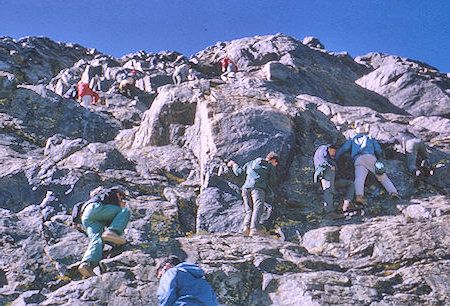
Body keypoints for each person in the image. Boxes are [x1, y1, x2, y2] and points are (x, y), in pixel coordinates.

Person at [335, 125, 400, 205]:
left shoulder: (353, 139)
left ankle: (359, 196)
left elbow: (344, 148)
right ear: (365, 131)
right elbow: (378, 149)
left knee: (359, 179)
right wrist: (380, 157)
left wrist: (336, 157)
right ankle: (393, 193)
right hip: (370, 157)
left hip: (358, 159)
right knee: (383, 178)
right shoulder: (369, 137)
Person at [77, 187, 131, 278]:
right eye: (121, 197)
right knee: (124, 211)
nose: (122, 199)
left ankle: (87, 264)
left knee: (97, 239)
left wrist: (74, 221)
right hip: (96, 208)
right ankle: (113, 232)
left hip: (87, 217)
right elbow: (118, 214)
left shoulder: (95, 201)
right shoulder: (111, 193)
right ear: (118, 194)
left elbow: (78, 206)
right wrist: (120, 205)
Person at [227, 152, 278, 237]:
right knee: (258, 207)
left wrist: (233, 164)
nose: (276, 165)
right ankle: (254, 229)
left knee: (249, 210)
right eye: (276, 163)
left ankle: (246, 227)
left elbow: (239, 172)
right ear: (273, 160)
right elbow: (273, 181)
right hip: (258, 189)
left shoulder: (250, 163)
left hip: (245, 188)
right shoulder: (269, 166)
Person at [313, 144, 354, 215]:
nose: (334, 153)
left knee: (350, 184)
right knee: (329, 190)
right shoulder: (323, 148)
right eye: (334, 151)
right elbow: (323, 161)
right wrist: (330, 167)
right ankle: (329, 212)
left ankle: (347, 205)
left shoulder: (330, 158)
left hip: (333, 178)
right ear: (329, 148)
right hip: (328, 172)